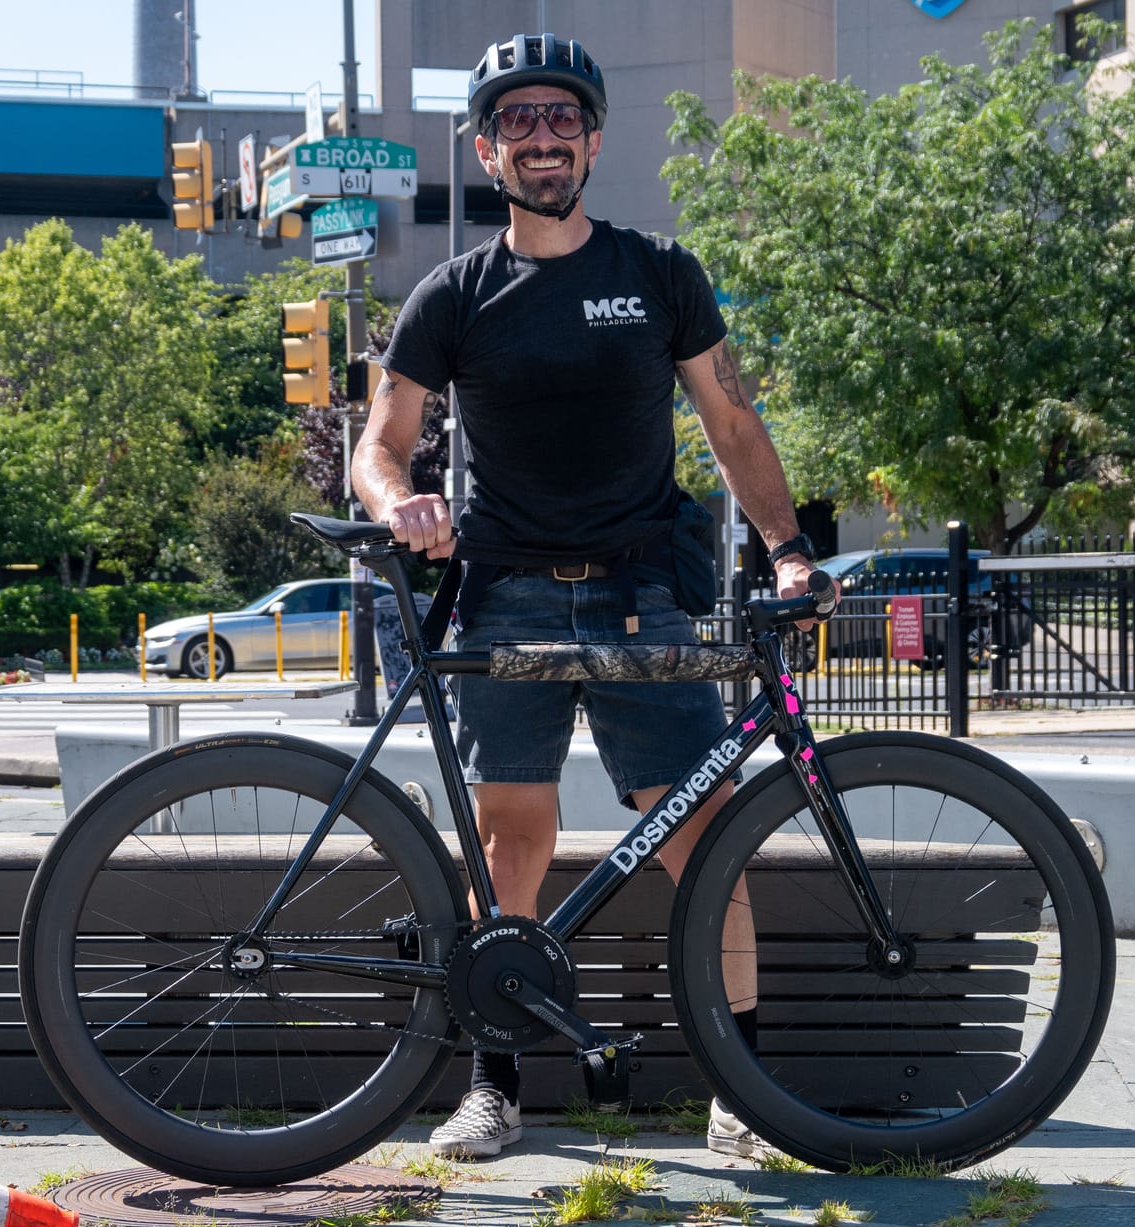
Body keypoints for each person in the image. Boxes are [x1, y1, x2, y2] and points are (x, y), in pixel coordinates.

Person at [351, 32, 829, 1161]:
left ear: (595, 140)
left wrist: (788, 550)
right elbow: (380, 443)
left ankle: (742, 1095)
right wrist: (398, 504)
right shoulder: (454, 292)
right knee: (508, 846)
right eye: (515, 120)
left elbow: (731, 421)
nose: (541, 137)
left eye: (561, 116)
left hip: (641, 597)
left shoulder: (657, 272)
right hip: (505, 597)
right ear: (485, 150)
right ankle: (495, 1090)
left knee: (705, 842)